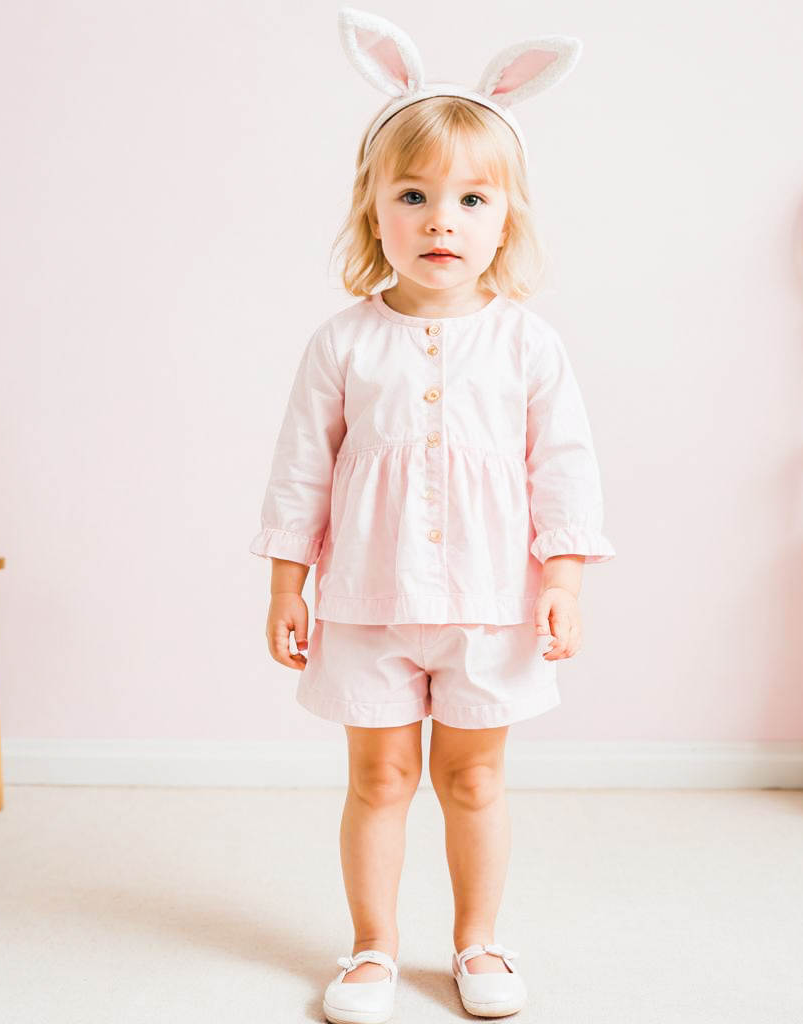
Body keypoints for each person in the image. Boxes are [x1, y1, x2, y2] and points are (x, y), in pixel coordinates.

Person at [249, 9, 615, 1022]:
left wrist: (565, 579)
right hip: (365, 601)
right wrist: (288, 582)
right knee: (377, 777)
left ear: (505, 217)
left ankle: (477, 941)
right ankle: (370, 948)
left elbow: (563, 467)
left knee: (473, 779)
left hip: (494, 604)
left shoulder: (527, 345)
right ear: (375, 212)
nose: (439, 219)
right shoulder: (341, 342)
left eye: (468, 198)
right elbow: (298, 470)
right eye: (412, 196)